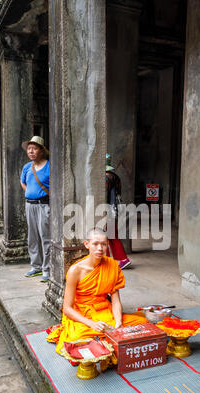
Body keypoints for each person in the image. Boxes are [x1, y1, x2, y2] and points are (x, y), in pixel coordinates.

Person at [46, 228, 148, 357]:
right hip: (83, 315)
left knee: (143, 323)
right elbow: (67, 308)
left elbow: (115, 300)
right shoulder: (75, 271)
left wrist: (118, 323)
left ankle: (104, 341)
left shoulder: (112, 265)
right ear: (87, 244)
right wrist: (92, 324)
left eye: (104, 244)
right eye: (95, 244)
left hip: (105, 311)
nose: (100, 248)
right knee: (76, 337)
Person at [20, 136, 50, 282]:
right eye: (29, 148)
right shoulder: (27, 167)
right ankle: (36, 266)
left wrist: (40, 193)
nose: (31, 151)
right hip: (29, 205)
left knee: (45, 237)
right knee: (32, 237)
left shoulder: (49, 166)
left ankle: (47, 269)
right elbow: (23, 181)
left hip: (44, 205)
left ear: (41, 151)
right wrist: (28, 192)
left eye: (34, 148)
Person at [105, 154, 131, 270]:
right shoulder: (115, 176)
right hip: (114, 209)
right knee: (110, 235)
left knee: (108, 236)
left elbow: (105, 196)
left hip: (107, 210)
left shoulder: (106, 177)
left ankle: (120, 259)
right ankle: (118, 259)